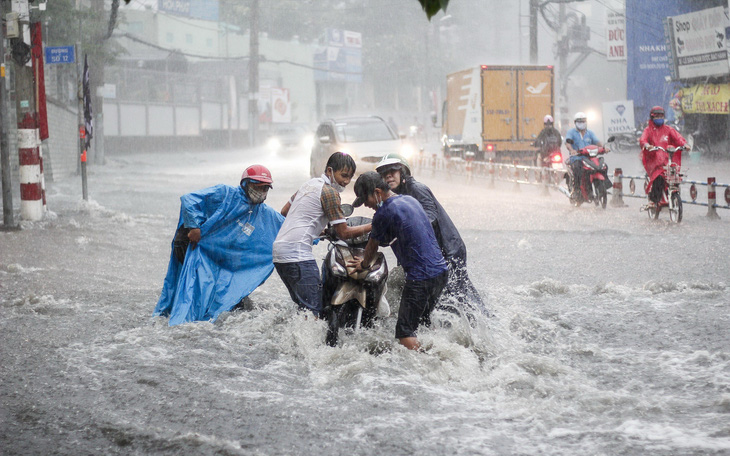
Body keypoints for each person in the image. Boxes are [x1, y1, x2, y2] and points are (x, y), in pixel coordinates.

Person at [153, 165, 285, 326]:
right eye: (256, 186)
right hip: (190, 242)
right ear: (245, 184)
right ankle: (184, 323)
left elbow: (286, 227)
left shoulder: (262, 212)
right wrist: (194, 227)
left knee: (210, 287)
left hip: (213, 252)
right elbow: (189, 199)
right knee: (195, 285)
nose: (261, 191)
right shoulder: (225, 194)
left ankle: (202, 317)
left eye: (265, 187)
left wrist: (314, 234)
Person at [375, 153, 487, 318]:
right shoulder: (393, 198)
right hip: (429, 255)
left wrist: (403, 225)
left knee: (454, 296)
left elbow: (430, 216)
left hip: (448, 250)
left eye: (393, 171)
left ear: (403, 172)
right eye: (384, 174)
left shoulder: (416, 189)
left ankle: (480, 321)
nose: (389, 176)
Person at [348, 172, 449, 351]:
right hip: (440, 272)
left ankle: (428, 364)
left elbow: (372, 248)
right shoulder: (410, 201)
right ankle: (440, 351)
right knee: (423, 321)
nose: (367, 205)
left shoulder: (383, 212)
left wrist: (363, 265)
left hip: (420, 277)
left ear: (378, 192)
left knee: (404, 332)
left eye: (366, 200)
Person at [272, 152, 371, 318]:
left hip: (280, 253)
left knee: (303, 309)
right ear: (330, 171)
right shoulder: (330, 193)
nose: (346, 181)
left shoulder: (308, 185)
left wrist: (319, 231)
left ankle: (296, 341)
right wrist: (373, 225)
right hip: (298, 255)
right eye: (343, 175)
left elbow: (284, 211)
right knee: (313, 312)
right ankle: (310, 344)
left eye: (350, 177)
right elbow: (344, 232)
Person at [639, 106, 687, 206]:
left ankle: (670, 194)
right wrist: (648, 146)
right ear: (652, 117)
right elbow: (643, 140)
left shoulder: (668, 129)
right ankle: (654, 200)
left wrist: (685, 145)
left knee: (674, 176)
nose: (659, 118)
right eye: (657, 116)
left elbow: (678, 138)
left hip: (667, 160)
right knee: (659, 177)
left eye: (661, 116)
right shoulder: (648, 130)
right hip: (654, 161)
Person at [565, 111, 602, 195]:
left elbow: (597, 142)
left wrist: (604, 148)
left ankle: (602, 186)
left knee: (602, 166)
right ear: (575, 122)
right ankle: (577, 189)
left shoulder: (590, 133)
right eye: (579, 121)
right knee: (578, 169)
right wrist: (572, 150)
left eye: (583, 121)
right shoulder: (571, 132)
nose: (581, 123)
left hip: (589, 159)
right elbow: (567, 143)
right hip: (576, 158)